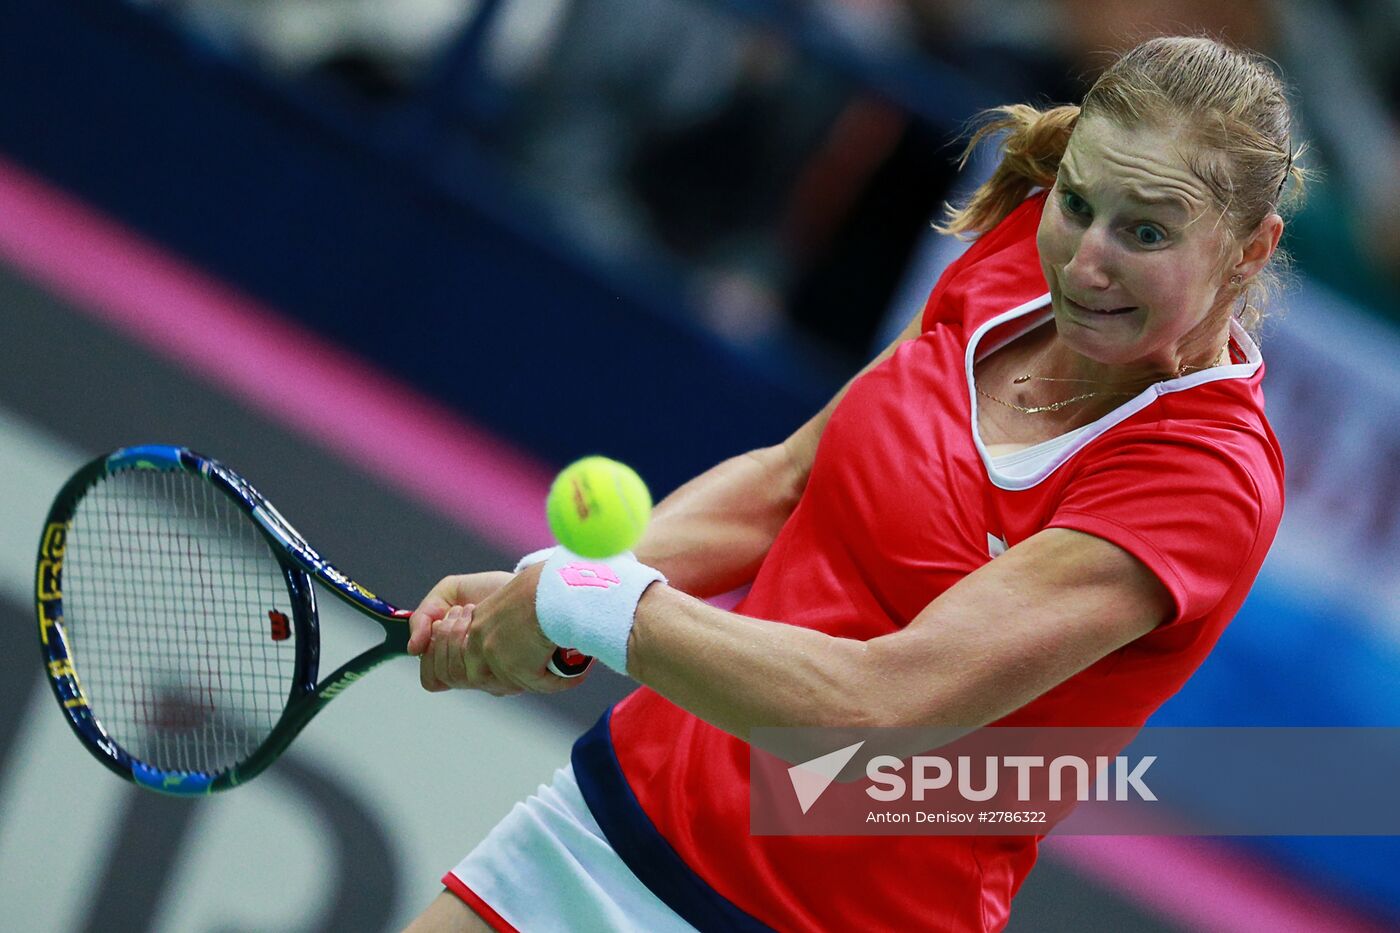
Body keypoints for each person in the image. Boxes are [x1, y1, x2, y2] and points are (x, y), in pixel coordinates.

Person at [403, 35, 1303, 932]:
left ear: (1249, 250)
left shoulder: (1206, 480)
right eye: (1076, 202)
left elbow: (872, 711)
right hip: (618, 811)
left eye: (1146, 232)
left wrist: (582, 601)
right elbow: (788, 480)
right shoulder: (1021, 259)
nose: (1084, 262)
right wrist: (550, 586)